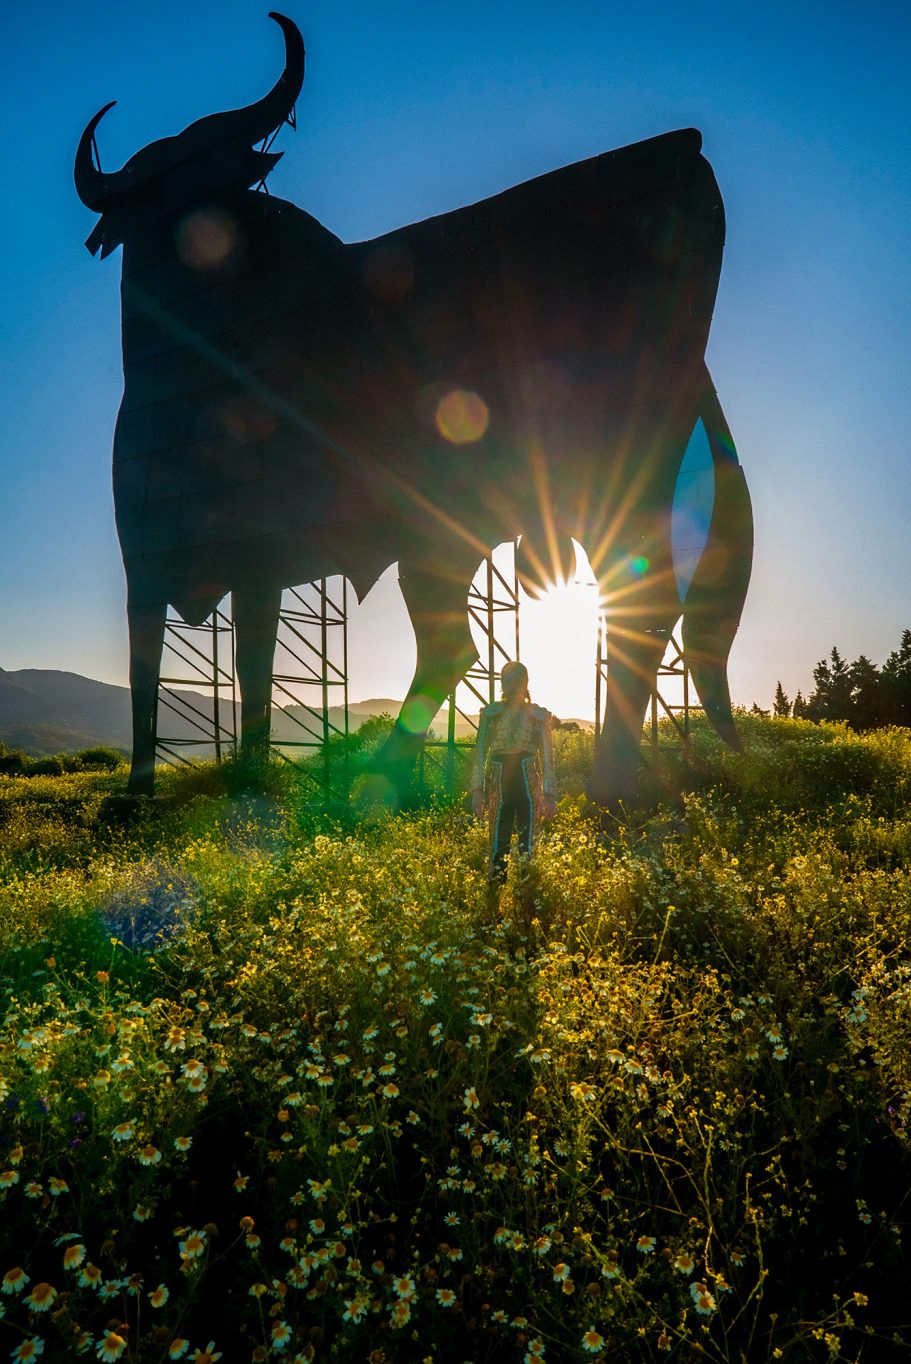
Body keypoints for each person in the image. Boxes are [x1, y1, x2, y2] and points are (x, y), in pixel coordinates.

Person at [471, 660, 556, 882]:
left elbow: (548, 757)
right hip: (499, 780)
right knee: (499, 839)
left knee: (528, 840)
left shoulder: (538, 715)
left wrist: (550, 794)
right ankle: (497, 892)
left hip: (528, 779)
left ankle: (527, 893)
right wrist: (477, 790)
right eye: (506, 680)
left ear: (525, 683)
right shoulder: (491, 714)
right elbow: (479, 753)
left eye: (515, 680)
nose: (510, 685)